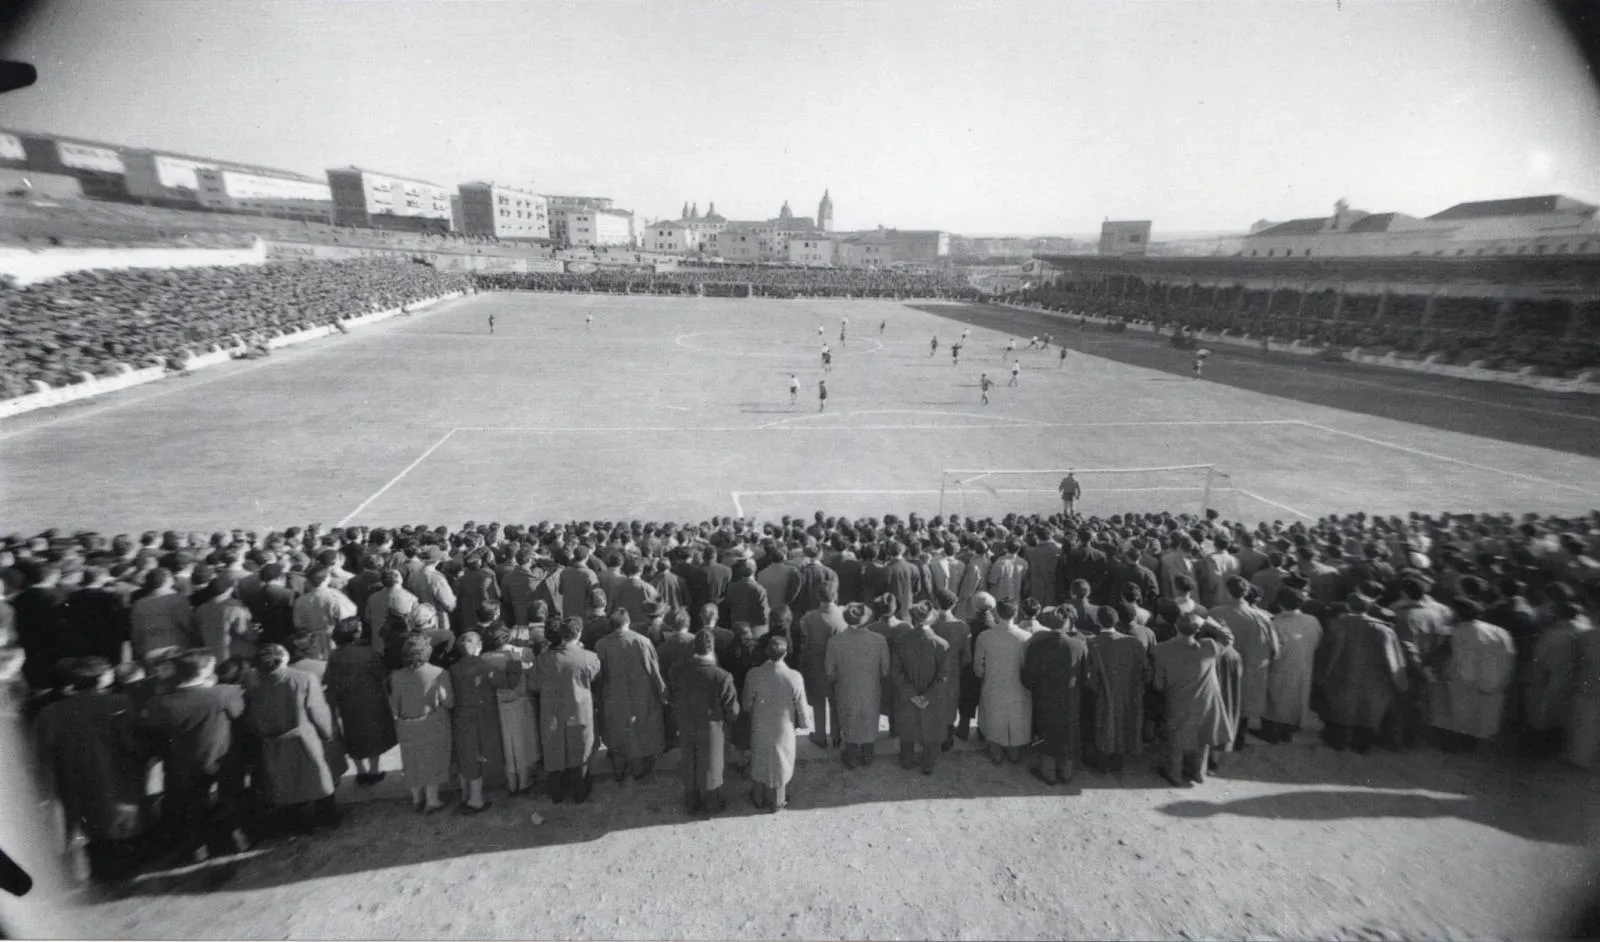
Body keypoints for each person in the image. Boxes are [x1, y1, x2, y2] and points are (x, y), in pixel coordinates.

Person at [32, 657, 148, 885]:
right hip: (115, 778)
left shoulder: (49, 713)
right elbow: (131, 743)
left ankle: (98, 876)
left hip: (73, 783)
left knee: (92, 835)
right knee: (120, 832)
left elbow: (42, 756)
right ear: (100, 678)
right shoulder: (119, 702)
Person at [139, 650, 246, 861]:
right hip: (220, 759)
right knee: (230, 799)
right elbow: (239, 713)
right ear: (204, 670)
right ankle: (238, 838)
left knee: (194, 807)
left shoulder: (159, 703)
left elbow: (154, 729)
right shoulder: (222, 694)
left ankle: (199, 848)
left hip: (183, 764)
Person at [244, 644, 339, 835]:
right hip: (302, 737)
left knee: (285, 781)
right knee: (315, 777)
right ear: (283, 658)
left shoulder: (253, 685)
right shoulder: (304, 678)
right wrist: (327, 733)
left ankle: (297, 822)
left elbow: (252, 717)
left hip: (272, 741)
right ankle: (327, 818)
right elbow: (317, 710)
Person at [1317, 588, 1408, 753]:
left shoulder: (1337, 625)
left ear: (1348, 606)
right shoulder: (1384, 629)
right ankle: (1362, 745)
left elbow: (1329, 654)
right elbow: (1393, 660)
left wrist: (1322, 676)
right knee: (1367, 711)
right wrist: (1399, 683)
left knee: (1340, 710)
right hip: (1374, 680)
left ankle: (1338, 742)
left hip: (1343, 676)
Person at [1152, 613, 1234, 785]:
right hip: (1206, 698)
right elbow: (1228, 638)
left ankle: (1174, 773)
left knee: (1176, 736)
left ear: (1176, 627)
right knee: (1203, 734)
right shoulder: (1209, 646)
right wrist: (1210, 624)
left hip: (1179, 698)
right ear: (1198, 630)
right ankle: (1198, 772)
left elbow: (1158, 684)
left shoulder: (1161, 649)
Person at [529, 617, 602, 804]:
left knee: (554, 753)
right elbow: (595, 680)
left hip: (551, 714)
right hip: (579, 712)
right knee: (580, 752)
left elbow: (534, 685)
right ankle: (580, 793)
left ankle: (557, 794)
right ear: (579, 633)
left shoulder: (543, 659)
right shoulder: (589, 657)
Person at [669, 628, 740, 814]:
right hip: (712, 728)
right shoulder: (722, 676)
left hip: (686, 723)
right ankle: (711, 804)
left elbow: (671, 696)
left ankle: (691, 802)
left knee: (689, 761)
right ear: (712, 648)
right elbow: (732, 710)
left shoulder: (677, 671)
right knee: (711, 767)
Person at [594, 609, 668, 782]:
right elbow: (654, 670)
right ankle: (638, 769)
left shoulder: (601, 645)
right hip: (641, 695)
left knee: (616, 730)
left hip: (613, 695)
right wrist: (662, 690)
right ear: (628, 621)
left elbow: (599, 676)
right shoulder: (642, 642)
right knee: (639, 731)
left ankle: (619, 769)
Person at [1435, 596, 1516, 752]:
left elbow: (1464, 660)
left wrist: (1463, 679)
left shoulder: (1460, 631)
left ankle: (1463, 746)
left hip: (1468, 681)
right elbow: (1509, 655)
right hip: (1495, 679)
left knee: (1463, 716)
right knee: (1487, 716)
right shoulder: (1499, 631)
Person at [323, 619, 396, 786]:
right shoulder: (368, 652)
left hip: (347, 701)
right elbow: (381, 674)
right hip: (371, 699)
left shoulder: (335, 655)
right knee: (374, 735)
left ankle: (361, 771)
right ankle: (374, 771)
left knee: (353, 736)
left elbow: (329, 679)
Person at [1021, 605, 1089, 784]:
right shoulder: (1079, 645)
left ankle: (1048, 773)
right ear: (1068, 623)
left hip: (1045, 698)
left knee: (1046, 735)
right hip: (1070, 698)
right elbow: (1084, 677)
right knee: (1068, 735)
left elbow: (1028, 675)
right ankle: (1067, 773)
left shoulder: (1037, 643)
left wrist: (1034, 689)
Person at [1208, 575, 1278, 748]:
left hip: (1222, 668)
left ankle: (1221, 737)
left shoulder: (1215, 613)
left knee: (1224, 700)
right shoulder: (1262, 618)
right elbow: (1275, 649)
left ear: (1227, 591)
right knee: (1244, 704)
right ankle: (1238, 738)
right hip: (1251, 670)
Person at [741, 634, 809, 811]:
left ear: (766, 651)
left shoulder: (754, 674)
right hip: (783, 727)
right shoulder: (794, 676)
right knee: (781, 762)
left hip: (760, 725)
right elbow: (801, 706)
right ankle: (777, 800)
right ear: (785, 653)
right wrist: (804, 723)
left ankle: (758, 797)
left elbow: (746, 704)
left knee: (760, 758)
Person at [389, 633, 453, 813]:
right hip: (431, 722)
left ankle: (417, 799)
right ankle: (432, 800)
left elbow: (394, 705)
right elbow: (449, 702)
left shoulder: (396, 676)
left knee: (412, 761)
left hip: (406, 724)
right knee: (433, 760)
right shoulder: (439, 673)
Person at [1085, 605, 1150, 772]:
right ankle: (1118, 760)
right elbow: (1146, 670)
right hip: (1128, 693)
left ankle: (1103, 763)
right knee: (1123, 724)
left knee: (1104, 725)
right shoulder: (1134, 643)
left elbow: (1089, 675)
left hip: (1104, 694)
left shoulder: (1092, 643)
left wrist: (1095, 690)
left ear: (1098, 621)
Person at [890, 601, 952, 774]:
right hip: (932, 698)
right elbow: (944, 676)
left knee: (907, 728)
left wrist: (912, 695)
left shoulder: (900, 641)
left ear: (912, 619)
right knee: (931, 730)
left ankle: (906, 760)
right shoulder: (942, 644)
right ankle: (928, 764)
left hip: (907, 697)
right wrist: (928, 696)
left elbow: (896, 672)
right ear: (931, 619)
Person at [826, 602, 890, 768]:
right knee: (869, 717)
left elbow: (829, 672)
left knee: (849, 718)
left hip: (846, 689)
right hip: (871, 689)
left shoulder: (835, 641)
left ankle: (851, 754)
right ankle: (868, 753)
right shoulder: (879, 640)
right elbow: (885, 670)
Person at [446, 631, 503, 813]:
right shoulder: (486, 667)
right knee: (478, 755)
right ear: (479, 647)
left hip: (461, 715)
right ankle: (476, 799)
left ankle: (465, 793)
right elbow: (503, 681)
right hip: (481, 717)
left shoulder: (453, 669)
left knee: (465, 753)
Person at [480, 626, 540, 795]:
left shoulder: (484, 658)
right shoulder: (525, 652)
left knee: (506, 743)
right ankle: (524, 780)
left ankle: (511, 782)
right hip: (520, 701)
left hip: (498, 704)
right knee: (522, 742)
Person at [974, 598, 1032, 763]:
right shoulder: (1027, 637)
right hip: (1018, 685)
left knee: (993, 717)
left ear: (996, 613)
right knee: (1016, 719)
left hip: (993, 683)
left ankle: (996, 754)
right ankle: (1014, 753)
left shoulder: (985, 636)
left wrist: (983, 675)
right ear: (1016, 613)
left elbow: (978, 666)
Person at [1261, 586, 1322, 743]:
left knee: (1275, 701)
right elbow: (1318, 641)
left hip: (1280, 667)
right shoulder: (1312, 621)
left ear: (1279, 604)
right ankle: (1287, 732)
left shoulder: (1275, 623)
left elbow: (1269, 649)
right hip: (1304, 666)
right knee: (1297, 699)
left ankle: (1271, 733)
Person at [797, 581, 845, 748]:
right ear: (835, 596)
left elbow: (804, 635)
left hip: (816, 663)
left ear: (818, 597)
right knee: (835, 700)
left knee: (818, 702)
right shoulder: (843, 615)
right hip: (838, 664)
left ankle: (820, 735)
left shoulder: (810, 617)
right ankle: (836, 734)